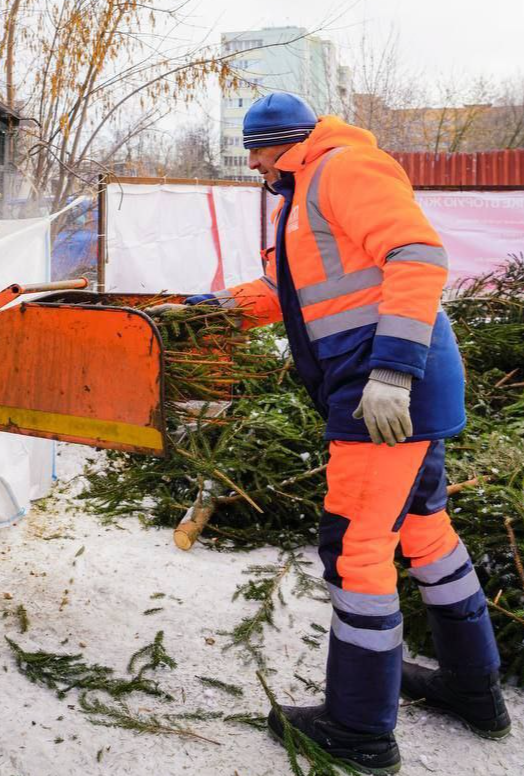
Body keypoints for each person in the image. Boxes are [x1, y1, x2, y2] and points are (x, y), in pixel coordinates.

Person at [184, 93, 510, 774]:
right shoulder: (301, 196)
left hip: (383, 391)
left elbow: (419, 255)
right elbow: (291, 289)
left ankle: (358, 728)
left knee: (357, 548)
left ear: (288, 141)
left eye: (259, 149)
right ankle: (473, 690)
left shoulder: (343, 170)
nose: (252, 163)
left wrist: (392, 373)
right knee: (424, 531)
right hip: (389, 387)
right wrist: (221, 308)